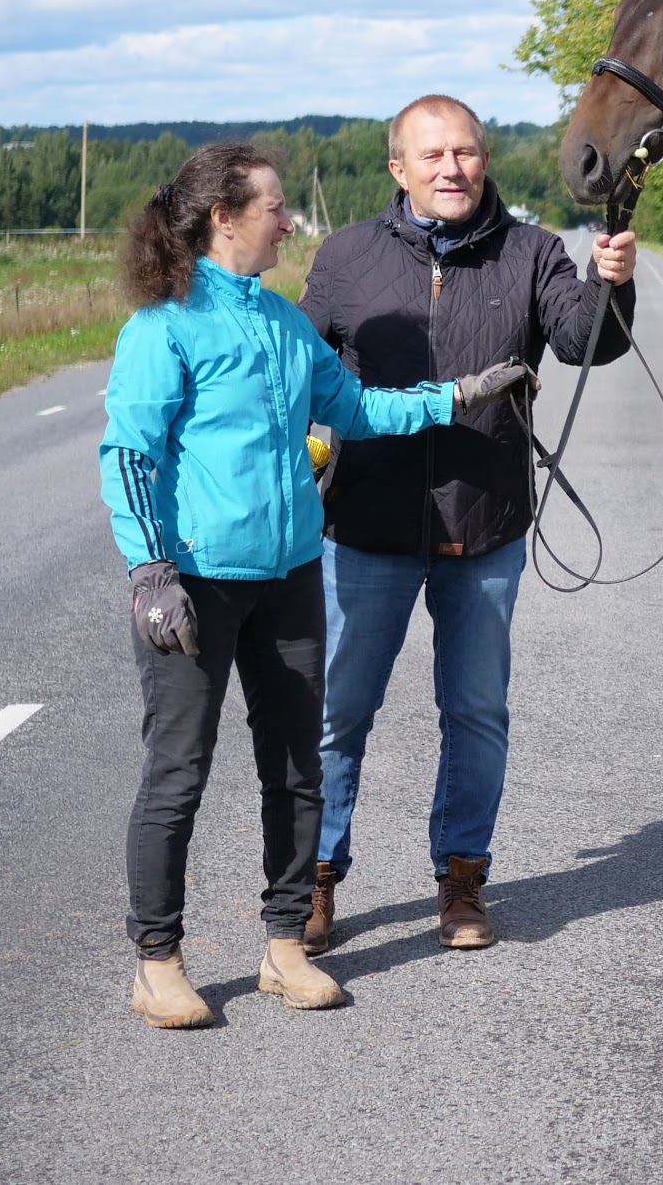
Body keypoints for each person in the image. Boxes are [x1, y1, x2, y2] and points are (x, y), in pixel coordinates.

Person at [99, 141, 531, 1029]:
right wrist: (149, 571)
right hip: (195, 585)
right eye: (274, 206)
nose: (288, 219)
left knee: (298, 769)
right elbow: (130, 458)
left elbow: (357, 408)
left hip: (293, 570)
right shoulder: (163, 328)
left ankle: (285, 944)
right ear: (225, 218)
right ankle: (158, 959)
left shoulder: (284, 322)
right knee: (178, 773)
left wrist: (453, 399)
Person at [296, 94, 636, 953]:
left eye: (467, 153)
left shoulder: (533, 251)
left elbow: (582, 342)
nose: (453, 169)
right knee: (339, 711)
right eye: (434, 155)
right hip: (366, 528)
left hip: (484, 525)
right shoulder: (345, 258)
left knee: (476, 709)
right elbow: (295, 366)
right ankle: (315, 879)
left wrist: (610, 289)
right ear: (398, 169)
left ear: (485, 160)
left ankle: (462, 881)